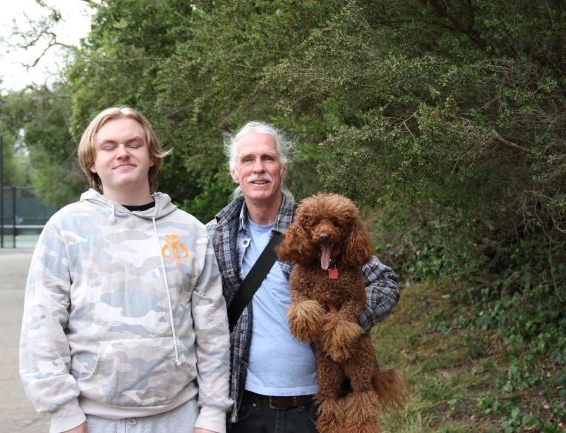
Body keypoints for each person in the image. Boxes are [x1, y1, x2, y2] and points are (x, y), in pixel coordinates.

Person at [20, 107, 232, 433]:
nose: (122, 153)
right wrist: (63, 414)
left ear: (152, 157)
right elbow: (41, 326)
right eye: (109, 146)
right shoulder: (65, 228)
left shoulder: (189, 232)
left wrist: (214, 414)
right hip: (91, 420)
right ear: (92, 162)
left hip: (179, 417)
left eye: (134, 144)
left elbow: (212, 330)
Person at [206, 121, 402, 433]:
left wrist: (348, 321)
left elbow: (386, 282)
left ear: (283, 169)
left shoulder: (317, 226)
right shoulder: (214, 236)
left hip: (317, 405)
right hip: (245, 408)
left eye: (268, 158)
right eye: (248, 159)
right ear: (234, 172)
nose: (259, 168)